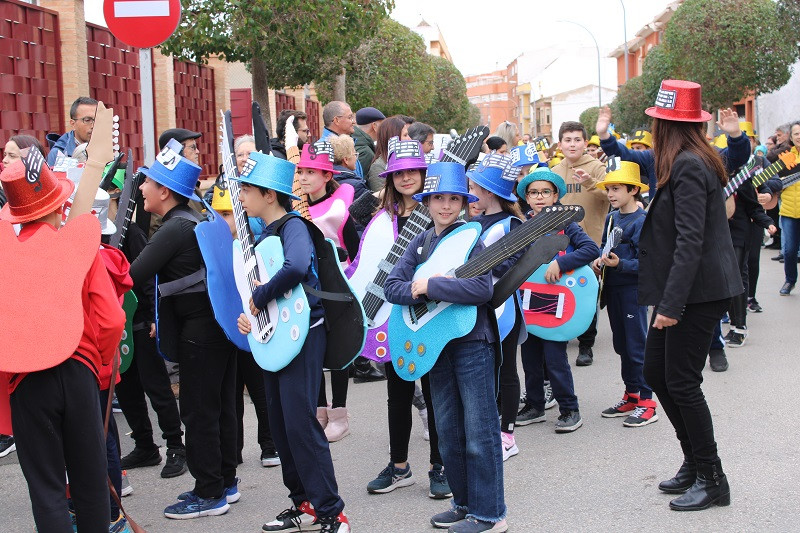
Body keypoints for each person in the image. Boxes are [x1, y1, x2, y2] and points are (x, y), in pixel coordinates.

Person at [1, 149, 125, 531]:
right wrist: (102, 368)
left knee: (47, 489)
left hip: (26, 380)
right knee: (89, 483)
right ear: (58, 206)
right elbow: (111, 319)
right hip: (79, 372)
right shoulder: (78, 246)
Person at [384, 161, 508, 533]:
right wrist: (416, 288)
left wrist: (429, 287)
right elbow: (392, 286)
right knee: (450, 431)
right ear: (426, 201)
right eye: (438, 198)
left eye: (454, 198)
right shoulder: (420, 241)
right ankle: (463, 503)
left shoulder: (474, 237)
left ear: (465, 202)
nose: (445, 206)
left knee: (480, 431)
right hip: (435, 344)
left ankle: (490, 514)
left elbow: (481, 290)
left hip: (472, 344)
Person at [234, 151, 350, 533]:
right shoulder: (262, 234)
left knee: (301, 424)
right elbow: (258, 292)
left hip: (305, 336)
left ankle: (333, 511)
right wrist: (250, 317)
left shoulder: (293, 226)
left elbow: (297, 267)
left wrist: (262, 295)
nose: (242, 197)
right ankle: (303, 503)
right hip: (273, 339)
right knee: (282, 426)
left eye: (248, 189)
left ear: (270, 195)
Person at [639, 79, 741, 511]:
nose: (652, 130)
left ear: (667, 125)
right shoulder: (683, 160)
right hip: (685, 290)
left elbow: (691, 241)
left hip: (696, 294)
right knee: (658, 373)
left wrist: (671, 305)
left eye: (656, 123)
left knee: (680, 380)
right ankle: (694, 463)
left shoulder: (688, 165)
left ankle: (713, 477)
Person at [130, 141, 238, 519]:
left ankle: (209, 493)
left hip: (199, 332)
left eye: (146, 182)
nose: (140, 187)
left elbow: (132, 275)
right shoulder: (196, 219)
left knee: (197, 411)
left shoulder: (174, 227)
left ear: (164, 191)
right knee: (219, 407)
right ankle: (225, 482)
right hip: (218, 327)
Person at [355, 138, 451, 500]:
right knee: (397, 394)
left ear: (425, 174)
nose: (407, 177)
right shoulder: (381, 218)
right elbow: (363, 263)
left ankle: (439, 466)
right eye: (400, 172)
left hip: (431, 314)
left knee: (434, 391)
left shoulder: (440, 212)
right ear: (390, 177)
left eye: (414, 170)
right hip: (389, 318)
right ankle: (399, 467)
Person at [112, 167, 187, 479]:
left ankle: (175, 446)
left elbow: (147, 278)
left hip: (141, 322)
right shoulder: (93, 232)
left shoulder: (129, 232)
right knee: (126, 389)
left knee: (156, 387)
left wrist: (152, 316)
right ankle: (145, 445)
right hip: (115, 326)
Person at [515, 167, 599, 433]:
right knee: (529, 358)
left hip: (557, 304)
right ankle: (536, 405)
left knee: (555, 358)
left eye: (545, 192)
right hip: (529, 303)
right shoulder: (522, 225)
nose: (540, 197)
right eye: (534, 192)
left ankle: (569, 409)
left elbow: (590, 249)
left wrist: (561, 264)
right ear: (527, 197)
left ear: (555, 196)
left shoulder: (566, 223)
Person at [209, 184, 279, 468]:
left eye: (228, 213)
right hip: (228, 327)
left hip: (255, 323)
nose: (223, 220)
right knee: (231, 392)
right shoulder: (213, 248)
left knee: (259, 387)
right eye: (218, 214)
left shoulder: (258, 246)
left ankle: (270, 444)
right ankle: (233, 448)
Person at [296, 140, 360, 442]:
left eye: (312, 171)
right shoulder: (296, 208)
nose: (305, 177)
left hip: (338, 289)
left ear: (326, 176)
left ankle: (340, 414)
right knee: (315, 349)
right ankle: (320, 411)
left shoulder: (341, 208)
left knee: (339, 351)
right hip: (307, 289)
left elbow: (355, 250)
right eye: (302, 172)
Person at [466, 154, 526, 459]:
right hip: (478, 305)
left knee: (506, 370)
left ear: (488, 191)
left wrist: (481, 271)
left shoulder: (512, 223)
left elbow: (515, 263)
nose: (469, 190)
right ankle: (489, 430)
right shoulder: (473, 222)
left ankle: (508, 435)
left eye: (473, 186)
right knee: (484, 371)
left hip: (504, 307)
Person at [592, 160, 658, 427]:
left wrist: (621, 264)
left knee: (636, 346)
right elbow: (603, 247)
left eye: (616, 189)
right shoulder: (611, 217)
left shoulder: (642, 221)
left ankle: (648, 402)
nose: (610, 194)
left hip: (633, 291)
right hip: (613, 290)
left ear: (633, 190)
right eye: (609, 189)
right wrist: (599, 261)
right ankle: (631, 394)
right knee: (621, 345)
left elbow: (650, 264)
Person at [550, 120, 608, 367]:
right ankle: (560, 335)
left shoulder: (597, 167)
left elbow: (611, 196)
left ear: (586, 142)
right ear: (560, 144)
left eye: (577, 139)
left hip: (591, 242)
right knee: (561, 290)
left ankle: (586, 344)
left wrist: (590, 183)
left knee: (587, 293)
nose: (572, 144)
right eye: (567, 140)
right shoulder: (553, 172)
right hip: (561, 243)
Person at [778, 121, 800, 296]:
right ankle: (790, 280)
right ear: (791, 138)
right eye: (796, 134)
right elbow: (773, 180)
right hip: (789, 211)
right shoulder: (786, 158)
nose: (799, 136)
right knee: (790, 250)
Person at [46, 96, 97, 166]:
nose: (93, 126)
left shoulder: (107, 150)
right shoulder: (58, 154)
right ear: (73, 124)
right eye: (87, 120)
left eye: (97, 120)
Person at [367, 116, 412, 192]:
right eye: (405, 135)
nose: (410, 139)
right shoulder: (379, 167)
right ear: (393, 137)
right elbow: (380, 198)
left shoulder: (409, 160)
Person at [330, 134, 369, 200]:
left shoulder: (325, 181)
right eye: (355, 154)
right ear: (346, 160)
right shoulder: (356, 186)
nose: (356, 159)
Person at [353, 106, 385, 175]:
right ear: (374, 126)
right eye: (382, 125)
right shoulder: (366, 153)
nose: (383, 129)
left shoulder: (352, 141)